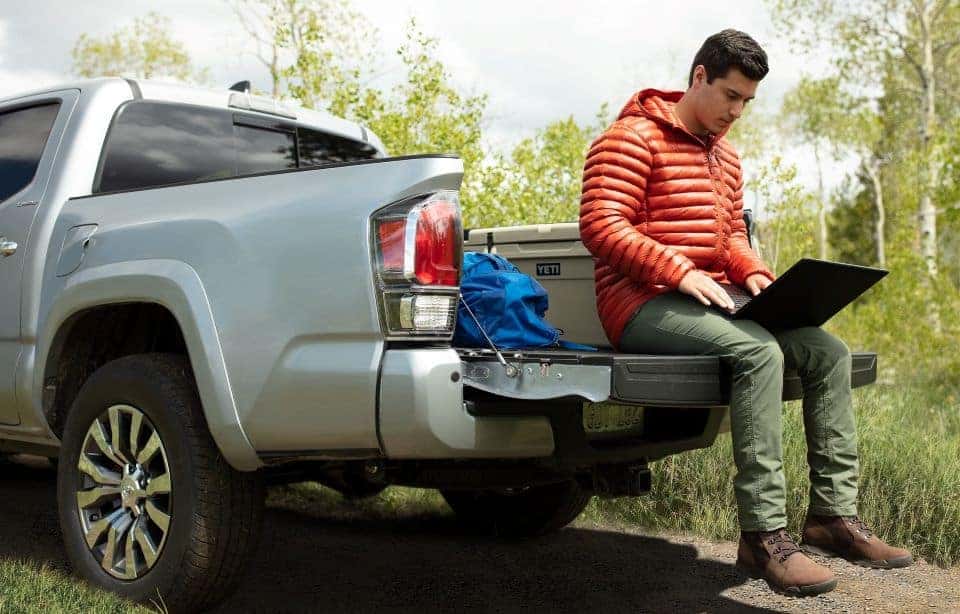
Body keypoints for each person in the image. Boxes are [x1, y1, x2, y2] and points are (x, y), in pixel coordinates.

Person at [579, 29, 912, 596]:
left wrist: (753, 271)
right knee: (758, 350)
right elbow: (602, 226)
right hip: (641, 303)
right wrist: (677, 270)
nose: (736, 112)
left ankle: (832, 518)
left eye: (747, 102)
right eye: (731, 96)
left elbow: (729, 234)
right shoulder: (629, 138)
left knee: (826, 351)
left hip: (714, 297)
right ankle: (763, 536)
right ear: (700, 77)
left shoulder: (726, 158)